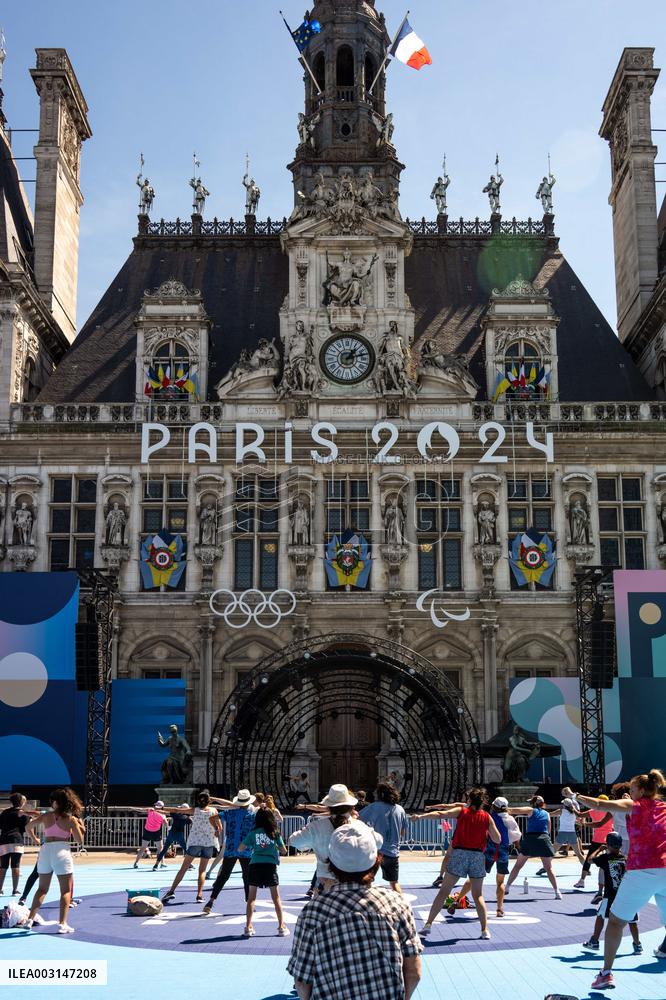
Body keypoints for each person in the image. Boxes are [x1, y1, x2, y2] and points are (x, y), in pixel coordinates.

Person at [287, 823, 422, 1000]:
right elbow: (414, 971)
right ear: (376, 861)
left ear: (331, 864)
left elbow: (302, 982)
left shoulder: (313, 912)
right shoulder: (396, 903)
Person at [576, 770, 666, 991]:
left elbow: (599, 804)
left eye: (632, 789)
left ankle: (606, 974)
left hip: (642, 871)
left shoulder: (634, 806)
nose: (629, 792)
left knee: (616, 922)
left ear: (642, 791)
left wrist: (576, 796)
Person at [413, 787, 501, 939]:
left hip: (459, 854)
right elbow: (497, 839)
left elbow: (441, 814)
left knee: (444, 891)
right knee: (478, 895)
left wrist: (421, 817)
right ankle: (484, 930)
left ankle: (428, 924)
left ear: (469, 800)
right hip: (477, 856)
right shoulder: (487, 817)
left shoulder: (462, 811)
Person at [25, 788, 85, 933]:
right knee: (65, 890)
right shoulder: (71, 819)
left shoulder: (46, 816)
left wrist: (35, 839)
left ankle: (30, 919)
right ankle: (62, 924)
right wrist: (81, 828)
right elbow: (79, 841)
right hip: (62, 851)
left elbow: (28, 827)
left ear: (56, 802)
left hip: (45, 851)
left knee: (41, 889)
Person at [453, 796, 522, 918]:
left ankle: (457, 900)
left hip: (488, 850)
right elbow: (517, 835)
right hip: (503, 851)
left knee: (474, 878)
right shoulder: (510, 819)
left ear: (494, 806)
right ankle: (499, 909)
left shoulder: (488, 816)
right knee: (500, 881)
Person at [289, 785, 360, 893]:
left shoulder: (316, 827)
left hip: (326, 885)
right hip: (352, 884)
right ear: (351, 806)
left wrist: (310, 835)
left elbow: (293, 840)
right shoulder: (360, 827)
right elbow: (378, 842)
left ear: (329, 806)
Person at [581, 832, 642, 955]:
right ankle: (637, 945)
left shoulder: (605, 858)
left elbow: (590, 860)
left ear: (608, 845)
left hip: (610, 896)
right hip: (627, 895)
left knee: (600, 916)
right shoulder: (625, 859)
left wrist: (599, 849)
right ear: (620, 846)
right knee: (632, 920)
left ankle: (594, 941)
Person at [162, 790, 222, 904]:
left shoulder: (195, 810)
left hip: (195, 842)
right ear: (209, 800)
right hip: (208, 843)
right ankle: (199, 895)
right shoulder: (214, 811)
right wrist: (215, 832)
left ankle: (171, 891)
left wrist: (163, 809)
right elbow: (220, 829)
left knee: (184, 868)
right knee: (202, 870)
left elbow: (176, 810)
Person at [203, 789, 257, 914]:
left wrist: (216, 829)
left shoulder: (229, 813)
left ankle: (210, 901)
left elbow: (212, 818)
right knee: (247, 877)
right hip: (246, 849)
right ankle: (249, 903)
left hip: (231, 848)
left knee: (223, 876)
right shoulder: (253, 815)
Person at [238, 806, 288, 936]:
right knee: (276, 898)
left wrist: (254, 846)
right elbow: (284, 851)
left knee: (251, 898)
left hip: (255, 865)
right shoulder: (274, 832)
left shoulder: (253, 833)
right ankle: (281, 926)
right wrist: (275, 846)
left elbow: (241, 848)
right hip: (270, 866)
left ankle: (248, 927)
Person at [503, 795, 562, 900]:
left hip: (530, 839)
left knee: (518, 866)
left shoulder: (531, 810)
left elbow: (515, 810)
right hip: (544, 839)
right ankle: (557, 892)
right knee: (549, 868)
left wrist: (502, 809)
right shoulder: (547, 814)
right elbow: (548, 829)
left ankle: (507, 887)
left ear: (533, 803)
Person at [360, 781, 407, 893]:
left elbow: (358, 818)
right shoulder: (400, 810)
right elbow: (402, 832)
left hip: (376, 851)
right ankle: (402, 905)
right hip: (393, 852)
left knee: (366, 882)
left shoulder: (374, 807)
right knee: (394, 883)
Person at [0, 793, 39, 896]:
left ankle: (0, 889)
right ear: (21, 802)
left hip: (4, 840)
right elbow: (28, 828)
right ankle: (15, 890)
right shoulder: (23, 813)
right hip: (17, 840)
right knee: (15, 865)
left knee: (3, 866)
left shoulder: (4, 812)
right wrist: (35, 839)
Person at [536, 797, 586, 874]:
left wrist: (540, 811)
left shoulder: (561, 811)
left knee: (552, 852)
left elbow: (550, 814)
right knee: (578, 854)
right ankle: (587, 869)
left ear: (564, 805)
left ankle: (545, 868)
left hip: (562, 833)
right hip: (572, 833)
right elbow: (581, 818)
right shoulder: (574, 812)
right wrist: (579, 822)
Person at [573, 793, 613, 889]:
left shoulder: (593, 811)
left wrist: (572, 807)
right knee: (611, 860)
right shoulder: (611, 811)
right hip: (609, 838)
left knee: (588, 859)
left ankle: (582, 881)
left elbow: (579, 814)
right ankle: (612, 882)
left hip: (597, 838)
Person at [152, 804, 192, 870]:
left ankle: (156, 865)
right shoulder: (187, 818)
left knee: (164, 850)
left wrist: (157, 810)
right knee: (186, 850)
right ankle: (189, 865)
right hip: (179, 835)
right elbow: (190, 821)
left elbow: (165, 812)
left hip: (171, 834)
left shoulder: (175, 814)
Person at [130, 801, 169, 867]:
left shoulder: (151, 810)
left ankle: (135, 863)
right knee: (160, 848)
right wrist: (165, 820)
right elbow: (166, 824)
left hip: (147, 831)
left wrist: (133, 808)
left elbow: (141, 810)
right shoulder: (163, 815)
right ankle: (162, 863)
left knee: (142, 848)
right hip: (156, 832)